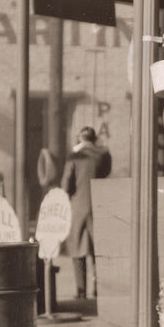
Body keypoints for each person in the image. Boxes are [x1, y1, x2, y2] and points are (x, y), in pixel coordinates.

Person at [59, 126, 111, 299]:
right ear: (94, 138)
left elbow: (66, 185)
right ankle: (97, 289)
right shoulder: (103, 155)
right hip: (98, 205)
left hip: (78, 207)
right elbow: (106, 173)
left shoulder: (74, 157)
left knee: (78, 251)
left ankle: (81, 291)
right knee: (98, 250)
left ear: (79, 139)